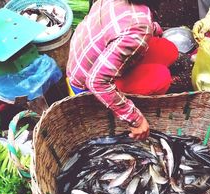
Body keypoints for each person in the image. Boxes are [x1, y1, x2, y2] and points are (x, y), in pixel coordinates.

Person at [66, 0, 178, 140]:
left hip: (88, 63)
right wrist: (136, 120)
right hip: (87, 84)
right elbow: (96, 81)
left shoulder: (136, 17)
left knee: (169, 50)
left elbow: (127, 20)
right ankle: (138, 106)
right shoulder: (138, 29)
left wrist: (152, 27)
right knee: (161, 77)